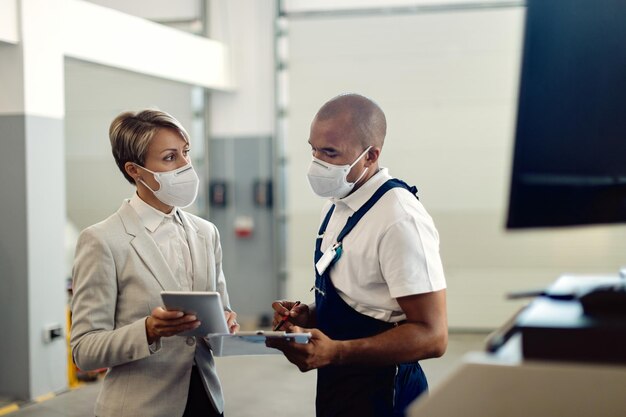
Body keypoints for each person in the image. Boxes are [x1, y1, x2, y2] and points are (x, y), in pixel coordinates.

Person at [268, 93, 448, 417]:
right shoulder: (338, 202)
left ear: (370, 156)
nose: (316, 163)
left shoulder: (399, 218)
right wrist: (309, 314)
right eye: (313, 149)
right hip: (340, 386)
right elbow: (362, 298)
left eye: (330, 153)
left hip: (384, 391)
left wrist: (337, 352)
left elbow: (433, 335)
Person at [70, 109, 239, 417]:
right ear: (135, 170)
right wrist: (148, 330)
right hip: (140, 407)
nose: (187, 166)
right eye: (170, 157)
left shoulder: (206, 233)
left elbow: (220, 313)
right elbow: (84, 350)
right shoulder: (103, 240)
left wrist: (224, 322)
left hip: (206, 401)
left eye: (186, 153)